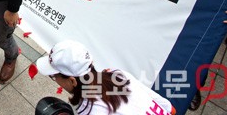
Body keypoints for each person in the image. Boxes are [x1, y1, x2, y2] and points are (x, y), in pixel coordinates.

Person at [36, 40, 175, 114]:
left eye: (53, 76)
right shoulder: (117, 74)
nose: (55, 81)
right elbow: (170, 109)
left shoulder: (92, 111)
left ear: (72, 81)